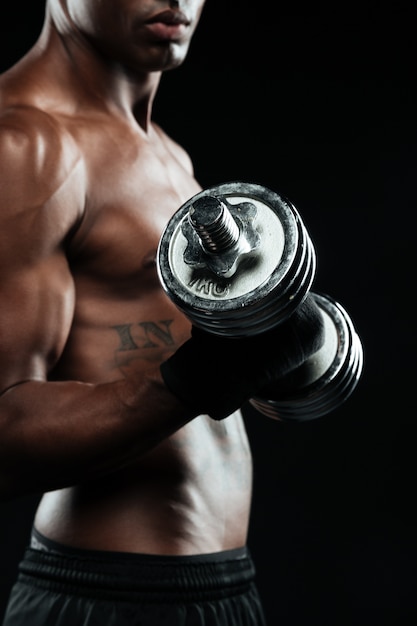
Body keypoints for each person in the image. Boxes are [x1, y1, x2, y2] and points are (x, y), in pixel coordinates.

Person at [0, 1, 325, 624]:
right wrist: (195, 381)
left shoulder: (163, 151)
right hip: (110, 597)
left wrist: (274, 357)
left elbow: (150, 348)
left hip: (222, 588)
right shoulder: (27, 144)